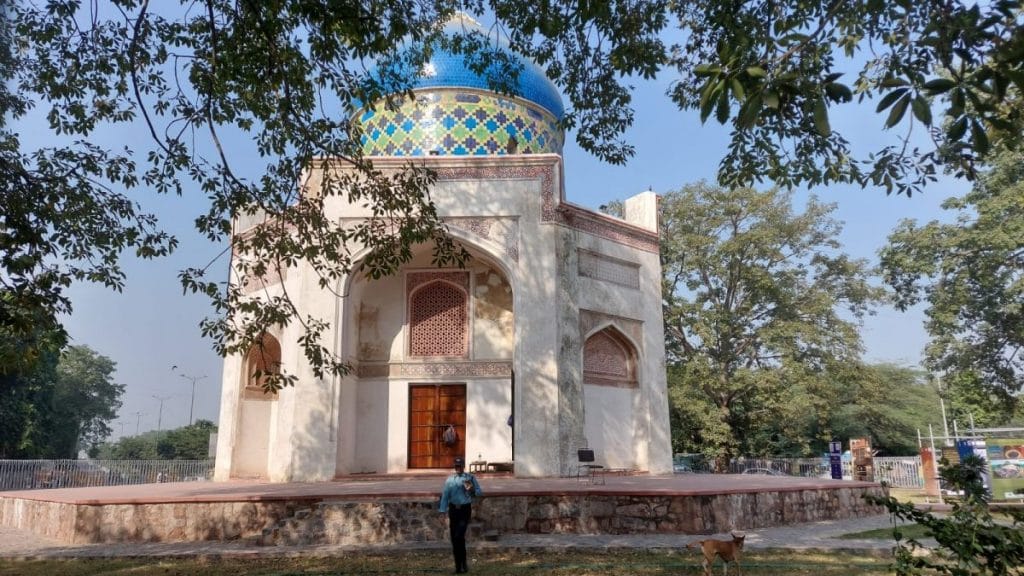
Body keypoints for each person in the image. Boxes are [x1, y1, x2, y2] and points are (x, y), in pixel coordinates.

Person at [439, 456, 482, 573]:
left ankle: (463, 564)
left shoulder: (469, 477)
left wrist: (472, 490)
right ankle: (459, 566)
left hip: (464, 510)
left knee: (459, 536)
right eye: (456, 466)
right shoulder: (450, 480)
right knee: (455, 539)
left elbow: (479, 492)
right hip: (453, 510)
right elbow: (445, 496)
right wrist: (442, 512)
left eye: (460, 466)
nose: (458, 468)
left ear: (463, 466)